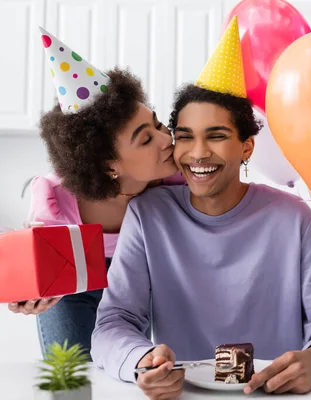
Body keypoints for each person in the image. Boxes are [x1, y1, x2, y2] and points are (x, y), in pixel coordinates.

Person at [91, 17, 311, 399]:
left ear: (246, 147)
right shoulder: (149, 215)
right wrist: (140, 360)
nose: (198, 153)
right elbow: (112, 323)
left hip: (275, 393)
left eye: (216, 136)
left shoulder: (293, 218)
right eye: (185, 137)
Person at [7, 28, 183, 357]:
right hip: (73, 290)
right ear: (109, 165)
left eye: (158, 124)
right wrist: (29, 291)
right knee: (74, 378)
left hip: (135, 285)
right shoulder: (54, 197)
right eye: (146, 139)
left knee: (124, 374)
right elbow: (39, 275)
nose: (166, 140)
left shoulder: (177, 182)